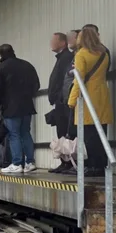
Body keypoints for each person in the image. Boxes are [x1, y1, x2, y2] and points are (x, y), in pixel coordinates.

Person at [68, 27, 113, 177]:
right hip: (102, 94)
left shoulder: (81, 54)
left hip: (87, 96)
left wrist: (72, 99)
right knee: (101, 131)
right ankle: (102, 164)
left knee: (89, 133)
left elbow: (78, 79)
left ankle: (94, 165)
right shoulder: (104, 54)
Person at [0, 43, 40, 174]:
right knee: (25, 132)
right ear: (13, 51)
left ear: (0, 54)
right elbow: (36, 84)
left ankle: (17, 163)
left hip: (10, 107)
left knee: (14, 134)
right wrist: (27, 95)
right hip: (27, 105)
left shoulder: (0, 68)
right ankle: (30, 162)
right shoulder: (27, 65)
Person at [47, 33, 76, 174]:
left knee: (66, 131)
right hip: (60, 100)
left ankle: (70, 162)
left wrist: (58, 96)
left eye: (54, 40)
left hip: (64, 100)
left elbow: (64, 80)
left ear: (63, 43)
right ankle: (65, 162)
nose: (51, 42)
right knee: (61, 132)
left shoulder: (66, 58)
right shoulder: (61, 58)